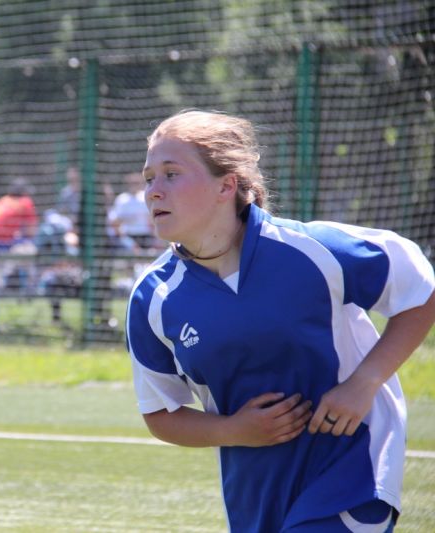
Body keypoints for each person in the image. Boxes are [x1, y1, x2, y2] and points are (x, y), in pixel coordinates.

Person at [127, 110, 435, 532]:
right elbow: (160, 413)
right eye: (149, 179)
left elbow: (422, 290)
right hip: (253, 493)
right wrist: (234, 430)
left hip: (352, 470)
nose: (153, 192)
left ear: (226, 186)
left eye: (171, 174)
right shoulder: (153, 297)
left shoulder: (312, 251)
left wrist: (364, 383)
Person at [0, 177, 38, 251]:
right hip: (0, 243)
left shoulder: (4, 200)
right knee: (30, 249)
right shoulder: (25, 202)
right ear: (24, 192)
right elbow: (31, 231)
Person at [107, 171, 154, 252]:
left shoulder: (145, 197)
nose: (134, 185)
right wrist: (128, 242)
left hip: (145, 237)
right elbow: (115, 223)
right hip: (127, 237)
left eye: (136, 182)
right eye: (132, 183)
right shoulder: (121, 199)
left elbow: (151, 220)